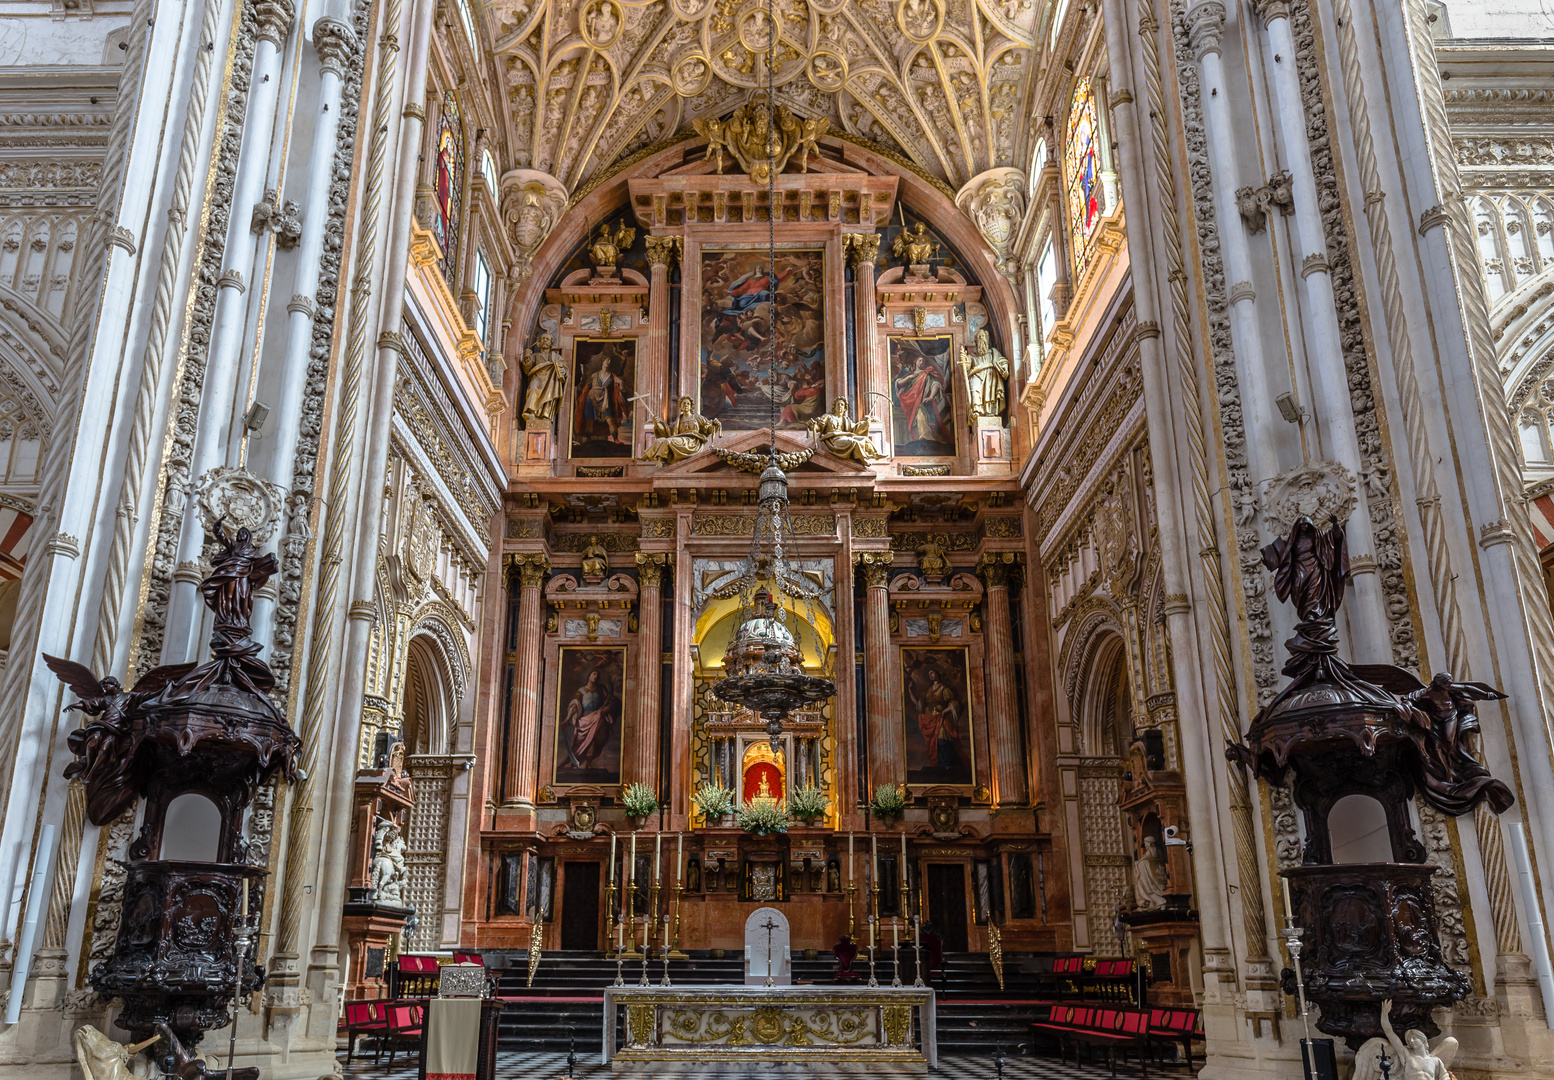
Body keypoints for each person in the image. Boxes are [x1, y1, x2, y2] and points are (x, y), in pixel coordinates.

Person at [563, 666, 618, 770]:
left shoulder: (602, 689)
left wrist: (606, 709)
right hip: (584, 721)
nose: (596, 676)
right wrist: (567, 719)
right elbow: (575, 705)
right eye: (594, 674)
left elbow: (610, 701)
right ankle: (579, 763)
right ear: (589, 676)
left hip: (597, 719)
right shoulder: (581, 691)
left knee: (595, 741)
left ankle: (588, 764)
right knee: (581, 744)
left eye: (598, 675)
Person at [909, 664, 962, 771]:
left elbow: (954, 703)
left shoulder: (944, 688)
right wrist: (910, 691)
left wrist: (944, 711)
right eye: (929, 674)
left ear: (938, 673)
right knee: (933, 742)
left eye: (932, 673)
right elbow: (919, 705)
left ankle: (946, 764)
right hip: (931, 719)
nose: (931, 675)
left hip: (942, 719)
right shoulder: (928, 691)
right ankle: (937, 764)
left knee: (942, 737)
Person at [894, 353, 950, 448]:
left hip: (923, 402)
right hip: (912, 402)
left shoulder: (927, 374)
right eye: (920, 360)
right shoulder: (911, 375)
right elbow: (898, 384)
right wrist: (909, 377)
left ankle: (926, 436)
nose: (922, 363)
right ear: (915, 362)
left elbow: (935, 384)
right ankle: (923, 436)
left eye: (923, 361)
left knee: (921, 414)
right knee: (917, 418)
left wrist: (931, 396)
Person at [643, 396, 720, 463]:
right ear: (681, 407)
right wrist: (657, 424)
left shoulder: (697, 417)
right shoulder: (678, 420)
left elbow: (708, 429)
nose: (686, 405)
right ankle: (646, 456)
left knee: (668, 441)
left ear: (691, 406)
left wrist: (714, 426)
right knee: (660, 440)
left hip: (692, 442)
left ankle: (660, 460)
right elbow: (667, 432)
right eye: (684, 404)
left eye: (688, 403)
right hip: (680, 440)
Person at [574, 351, 628, 446]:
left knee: (610, 420)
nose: (609, 362)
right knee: (589, 421)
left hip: (605, 399)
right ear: (602, 361)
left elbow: (622, 389)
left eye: (610, 361)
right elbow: (587, 387)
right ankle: (588, 440)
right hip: (591, 398)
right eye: (607, 360)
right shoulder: (594, 375)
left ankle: (616, 439)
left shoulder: (612, 376)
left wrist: (621, 383)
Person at [810, 397, 884, 463]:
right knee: (854, 442)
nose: (839, 406)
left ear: (845, 408)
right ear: (834, 407)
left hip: (845, 437)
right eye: (838, 404)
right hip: (834, 440)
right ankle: (863, 459)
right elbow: (819, 428)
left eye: (842, 405)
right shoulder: (828, 417)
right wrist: (813, 426)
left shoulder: (846, 419)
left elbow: (855, 430)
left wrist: (866, 424)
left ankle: (875, 454)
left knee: (864, 438)